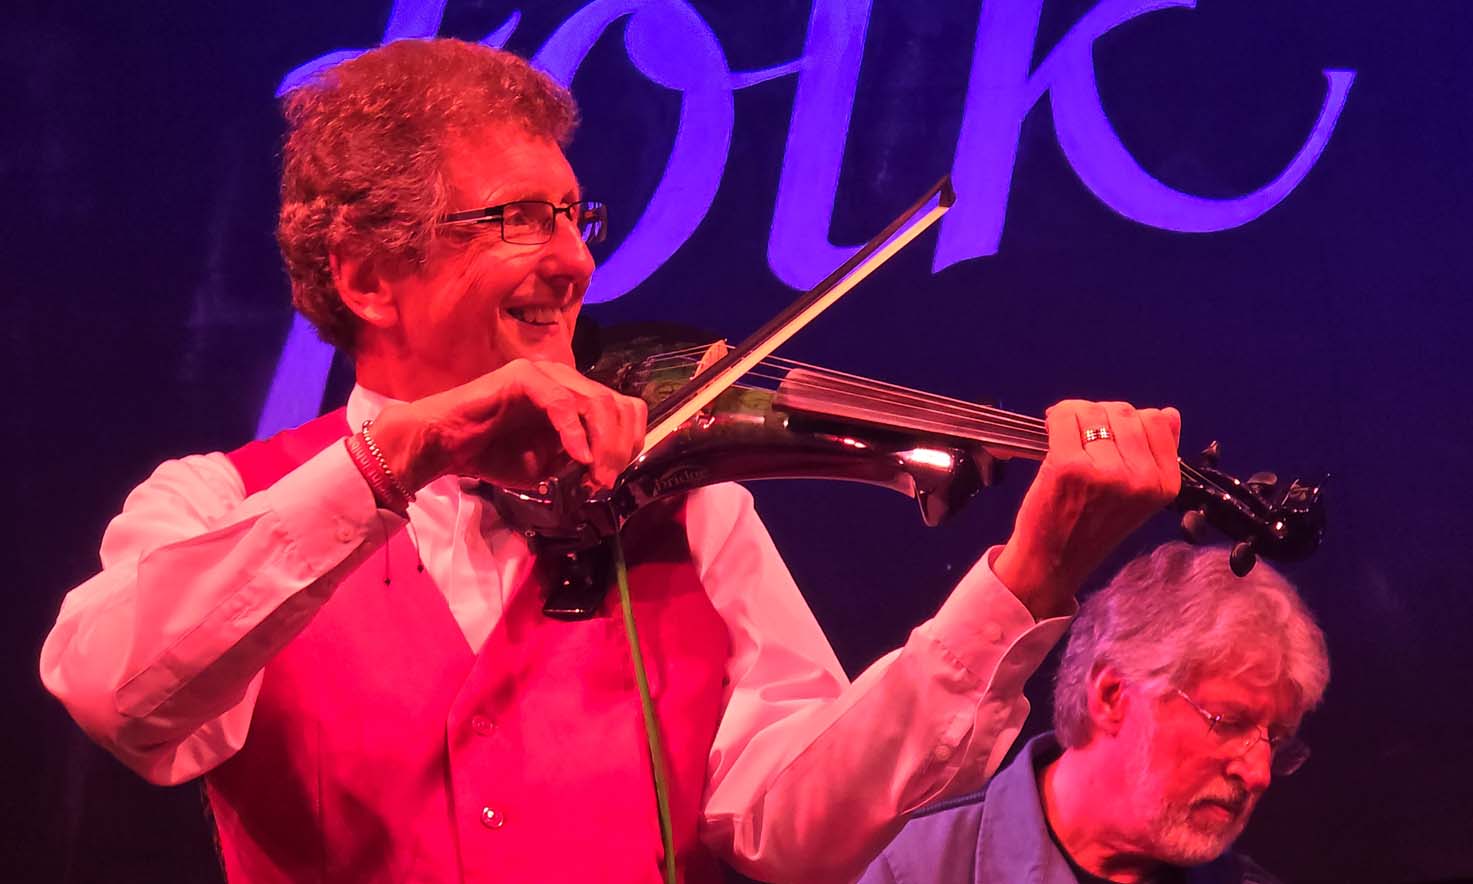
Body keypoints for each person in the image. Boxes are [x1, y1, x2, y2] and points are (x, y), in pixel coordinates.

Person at [40, 39, 1183, 884]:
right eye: (516, 221)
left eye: (572, 216)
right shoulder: (220, 502)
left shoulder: (679, 498)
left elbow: (794, 826)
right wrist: (396, 458)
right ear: (367, 277)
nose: (574, 263)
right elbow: (114, 690)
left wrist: (1022, 584)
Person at [858, 541, 1330, 884]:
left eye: (1275, 739)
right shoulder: (909, 867)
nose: (1259, 773)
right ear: (1111, 695)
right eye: (1228, 722)